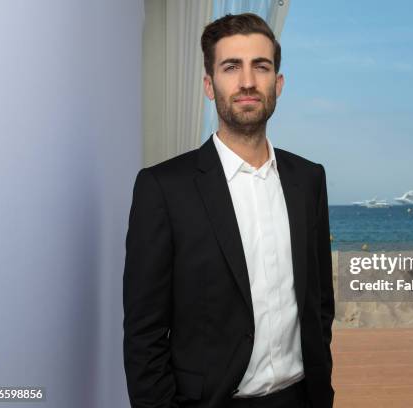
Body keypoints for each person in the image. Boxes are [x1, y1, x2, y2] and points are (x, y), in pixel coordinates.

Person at [123, 13, 334, 408]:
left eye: (262, 66)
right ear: (209, 84)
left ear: (279, 83)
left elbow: (320, 303)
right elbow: (144, 334)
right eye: (231, 67)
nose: (248, 81)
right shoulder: (163, 188)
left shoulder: (309, 180)